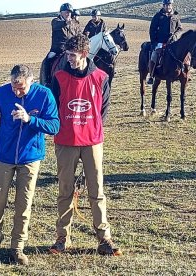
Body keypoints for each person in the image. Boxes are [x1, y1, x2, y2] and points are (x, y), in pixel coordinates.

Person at [0, 64, 60, 265]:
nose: (16, 91)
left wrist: (30, 119)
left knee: (24, 203)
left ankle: (17, 247)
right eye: (13, 86)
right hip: (4, 156)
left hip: (30, 158)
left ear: (31, 82)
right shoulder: (2, 93)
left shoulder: (44, 95)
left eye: (21, 88)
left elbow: (55, 125)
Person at [48, 34, 122, 256]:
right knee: (65, 191)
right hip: (65, 141)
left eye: (72, 55)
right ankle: (62, 238)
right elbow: (54, 109)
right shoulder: (58, 77)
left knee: (97, 191)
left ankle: (104, 239)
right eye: (67, 55)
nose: (68, 59)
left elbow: (103, 112)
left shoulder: (101, 77)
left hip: (92, 142)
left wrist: (90, 131)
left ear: (83, 53)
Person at [43, 3, 81, 86]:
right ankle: (47, 81)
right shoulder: (55, 21)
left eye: (69, 12)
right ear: (61, 13)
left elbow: (78, 34)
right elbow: (59, 25)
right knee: (47, 60)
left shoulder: (73, 23)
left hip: (70, 49)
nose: (68, 14)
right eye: (66, 12)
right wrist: (66, 22)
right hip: (57, 49)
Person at [147, 0, 182, 85]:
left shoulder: (176, 16)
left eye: (169, 5)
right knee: (154, 55)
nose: (168, 7)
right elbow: (152, 30)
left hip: (173, 42)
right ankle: (151, 76)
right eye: (166, 5)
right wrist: (154, 43)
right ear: (163, 6)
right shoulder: (158, 16)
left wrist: (175, 36)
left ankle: (184, 73)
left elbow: (180, 29)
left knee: (183, 53)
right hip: (160, 42)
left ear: (171, 5)